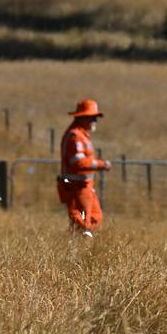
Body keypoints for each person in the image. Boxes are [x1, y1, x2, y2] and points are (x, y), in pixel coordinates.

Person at [57, 99, 111, 237]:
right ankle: (76, 247)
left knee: (94, 218)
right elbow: (79, 163)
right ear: (82, 118)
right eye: (92, 117)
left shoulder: (81, 135)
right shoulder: (75, 137)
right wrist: (102, 164)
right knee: (83, 224)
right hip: (76, 186)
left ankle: (75, 244)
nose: (95, 121)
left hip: (84, 185)